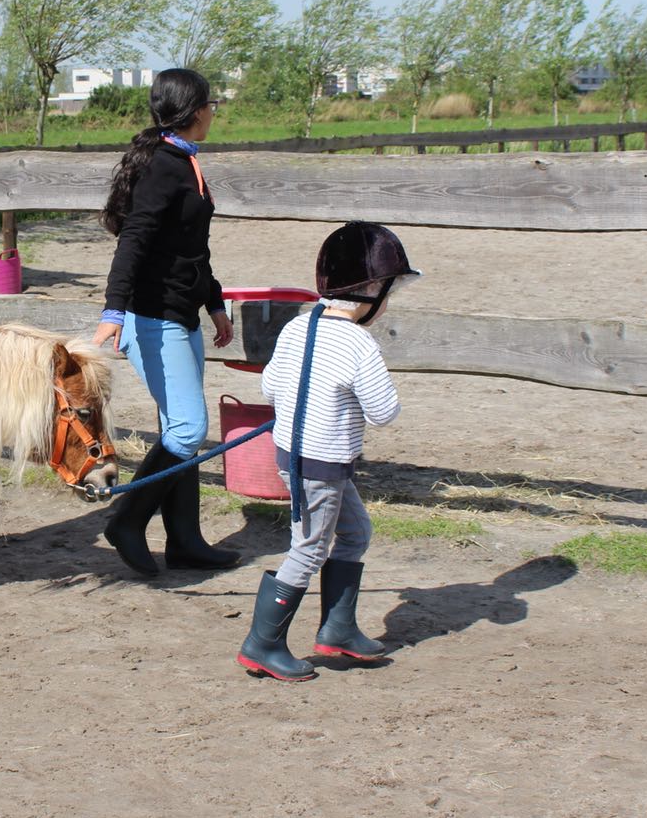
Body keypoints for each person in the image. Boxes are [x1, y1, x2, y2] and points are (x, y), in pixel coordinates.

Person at [235, 222, 421, 681]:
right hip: (322, 464)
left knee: (355, 532)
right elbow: (384, 411)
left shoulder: (299, 326)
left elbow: (270, 384)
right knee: (310, 548)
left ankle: (338, 628)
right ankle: (263, 644)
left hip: (295, 457)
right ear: (372, 291)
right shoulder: (359, 343)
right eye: (389, 292)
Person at [92, 68, 238, 575]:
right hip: (152, 318)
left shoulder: (184, 162)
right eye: (210, 104)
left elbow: (190, 246)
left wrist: (214, 301)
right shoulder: (164, 166)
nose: (214, 112)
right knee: (188, 427)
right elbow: (133, 239)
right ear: (194, 110)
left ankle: (185, 541)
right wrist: (113, 310)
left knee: (181, 427)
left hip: (182, 314)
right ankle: (126, 520)